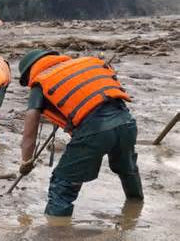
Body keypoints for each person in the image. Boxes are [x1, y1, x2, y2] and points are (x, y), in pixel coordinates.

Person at [17, 49, 143, 218]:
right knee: (128, 169)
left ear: (29, 74)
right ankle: (135, 210)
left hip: (95, 131)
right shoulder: (87, 63)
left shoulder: (40, 83)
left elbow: (29, 133)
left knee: (62, 186)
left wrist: (26, 161)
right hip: (127, 123)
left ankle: (54, 236)